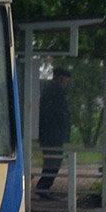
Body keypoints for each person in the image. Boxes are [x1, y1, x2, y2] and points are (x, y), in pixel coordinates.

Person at [36, 67, 72, 196]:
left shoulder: (51, 90)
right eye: (65, 79)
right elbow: (53, 113)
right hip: (52, 135)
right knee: (53, 161)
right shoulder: (55, 91)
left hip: (51, 134)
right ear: (60, 78)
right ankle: (43, 187)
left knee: (53, 161)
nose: (66, 82)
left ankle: (44, 187)